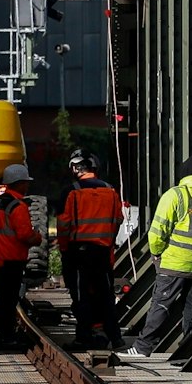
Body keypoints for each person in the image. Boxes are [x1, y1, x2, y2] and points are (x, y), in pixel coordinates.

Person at [121, 155, 192, 364]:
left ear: (184, 173)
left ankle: (142, 347)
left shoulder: (175, 195)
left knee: (161, 304)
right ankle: (188, 351)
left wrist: (156, 252)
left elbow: (158, 230)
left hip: (175, 262)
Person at [57, 150, 124, 350]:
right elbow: (118, 220)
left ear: (75, 168)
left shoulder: (71, 192)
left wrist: (64, 250)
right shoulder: (110, 191)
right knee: (106, 295)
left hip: (78, 252)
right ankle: (115, 338)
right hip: (103, 251)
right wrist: (108, 242)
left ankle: (84, 337)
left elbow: (63, 225)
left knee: (81, 296)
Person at [0, 163, 42, 351]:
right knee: (9, 301)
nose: (28, 185)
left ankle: (4, 336)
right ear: (19, 183)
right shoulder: (18, 206)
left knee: (2, 300)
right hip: (12, 258)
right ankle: (7, 338)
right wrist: (37, 237)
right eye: (26, 182)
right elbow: (25, 235)